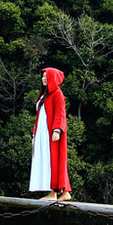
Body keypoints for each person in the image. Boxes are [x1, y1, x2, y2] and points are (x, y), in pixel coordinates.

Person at [29, 67, 71, 202]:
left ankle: (55, 193)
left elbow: (60, 113)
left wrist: (57, 130)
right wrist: (35, 134)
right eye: (43, 77)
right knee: (49, 161)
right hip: (43, 134)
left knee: (54, 161)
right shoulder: (44, 95)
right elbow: (39, 117)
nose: (44, 79)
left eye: (47, 76)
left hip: (51, 133)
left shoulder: (57, 94)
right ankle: (63, 192)